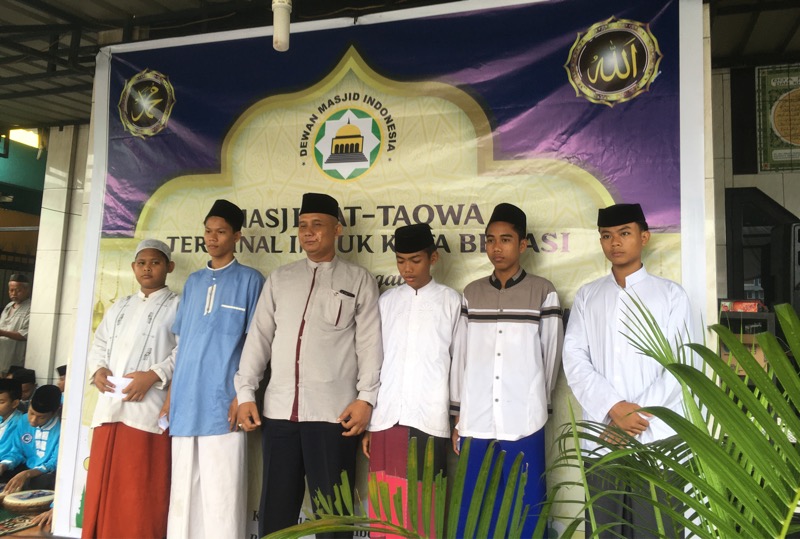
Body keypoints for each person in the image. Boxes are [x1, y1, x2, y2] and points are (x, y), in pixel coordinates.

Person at [235, 192, 382, 539]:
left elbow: (370, 344)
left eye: (317, 225)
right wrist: (245, 392)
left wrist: (366, 398)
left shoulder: (358, 280)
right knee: (275, 515)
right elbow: (259, 338)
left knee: (333, 519)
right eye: (303, 226)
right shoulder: (281, 278)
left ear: (337, 230)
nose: (308, 232)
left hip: (334, 417)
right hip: (279, 415)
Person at [562, 202, 693, 539]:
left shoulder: (670, 296)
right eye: (606, 235)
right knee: (606, 530)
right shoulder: (588, 296)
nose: (614, 242)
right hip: (603, 437)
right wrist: (613, 409)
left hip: (656, 438)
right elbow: (574, 359)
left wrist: (634, 418)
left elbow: (680, 367)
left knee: (657, 530)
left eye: (624, 233)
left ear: (644, 237)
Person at [452, 203, 563, 537]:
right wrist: (459, 415)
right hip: (476, 419)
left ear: (523, 244)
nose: (496, 248)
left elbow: (550, 355)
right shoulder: (472, 293)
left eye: (505, 239)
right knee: (475, 508)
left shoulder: (543, 292)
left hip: (524, 419)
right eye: (490, 240)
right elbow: (461, 356)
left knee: (526, 507)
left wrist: (535, 404)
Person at [166, 200, 264, 539]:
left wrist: (242, 394)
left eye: (220, 232)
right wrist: (170, 396)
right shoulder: (192, 283)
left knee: (222, 495)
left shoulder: (251, 280)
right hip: (185, 401)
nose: (212, 237)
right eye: (208, 231)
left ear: (237, 236)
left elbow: (255, 345)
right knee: (183, 494)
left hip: (223, 402)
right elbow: (184, 344)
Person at [361, 223, 465, 536]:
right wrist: (370, 420)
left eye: (415, 260)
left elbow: (459, 362)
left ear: (433, 258)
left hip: (429, 417)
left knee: (425, 511)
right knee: (385, 512)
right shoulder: (386, 302)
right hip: (386, 418)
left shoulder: (452, 301)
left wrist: (459, 417)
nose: (407, 268)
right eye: (401, 260)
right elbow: (374, 361)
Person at [82, 239, 180, 539]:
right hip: (110, 409)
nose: (147, 268)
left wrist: (153, 375)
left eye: (155, 262)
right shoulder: (121, 305)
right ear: (133, 268)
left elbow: (186, 349)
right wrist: (98, 369)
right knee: (104, 485)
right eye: (141, 263)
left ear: (169, 267)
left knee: (140, 489)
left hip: (148, 411)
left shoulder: (179, 304)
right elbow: (98, 344)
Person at [0, 384, 61, 493]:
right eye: (31, 413)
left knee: (45, 481)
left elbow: (53, 462)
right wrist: (3, 465)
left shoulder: (62, 428)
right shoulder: (23, 421)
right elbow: (17, 452)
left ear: (54, 412)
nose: (33, 420)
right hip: (26, 468)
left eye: (41, 417)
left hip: (45, 473)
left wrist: (28, 474)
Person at [0, 274, 31, 375]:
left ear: (27, 290)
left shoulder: (31, 308)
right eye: (11, 290)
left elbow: (25, 334)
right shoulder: (9, 306)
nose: (14, 293)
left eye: (18, 290)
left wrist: (3, 333)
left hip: (14, 362)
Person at [0, 379, 25, 459]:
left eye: (1, 402)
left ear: (15, 403)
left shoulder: (20, 423)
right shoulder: (2, 417)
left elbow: (14, 452)